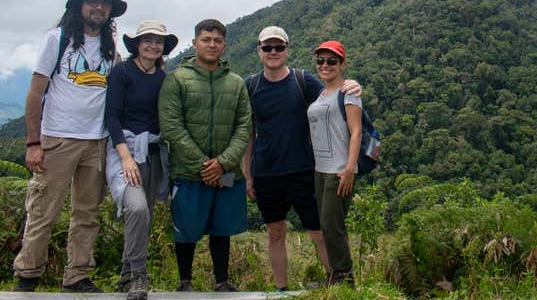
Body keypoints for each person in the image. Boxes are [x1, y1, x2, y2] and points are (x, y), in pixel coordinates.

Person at [13, 0, 127, 293]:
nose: (99, 7)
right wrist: (33, 143)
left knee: (87, 214)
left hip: (96, 141)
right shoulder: (58, 39)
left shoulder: (109, 47)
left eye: (105, 3)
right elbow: (36, 93)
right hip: (58, 139)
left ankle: (77, 276)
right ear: (79, 6)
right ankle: (27, 276)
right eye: (93, 1)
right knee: (42, 212)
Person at [241, 26, 360, 292]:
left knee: (319, 232)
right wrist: (247, 173)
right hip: (266, 172)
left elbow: (333, 94)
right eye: (268, 47)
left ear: (286, 49)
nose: (273, 52)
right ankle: (282, 290)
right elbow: (248, 132)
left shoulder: (302, 81)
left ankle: (337, 286)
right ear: (259, 51)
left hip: (304, 169)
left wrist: (351, 84)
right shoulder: (250, 86)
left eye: (279, 47)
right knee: (275, 232)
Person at [158, 19, 251, 293]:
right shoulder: (177, 79)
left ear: (224, 44)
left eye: (217, 40)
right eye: (206, 39)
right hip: (188, 170)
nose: (212, 45)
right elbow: (172, 126)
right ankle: (184, 280)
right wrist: (203, 165)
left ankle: (221, 281)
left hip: (226, 169)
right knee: (186, 227)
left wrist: (222, 163)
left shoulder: (236, 83)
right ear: (195, 42)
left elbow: (244, 125)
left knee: (221, 228)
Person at [105, 20, 178, 300]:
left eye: (158, 41)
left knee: (143, 217)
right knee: (136, 209)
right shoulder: (122, 73)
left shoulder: (163, 78)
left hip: (154, 151)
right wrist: (125, 157)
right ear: (137, 44)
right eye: (147, 39)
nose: (153, 45)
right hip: (124, 149)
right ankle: (138, 276)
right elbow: (111, 115)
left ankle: (125, 275)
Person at [306, 40, 361, 286]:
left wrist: (349, 169)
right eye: (321, 60)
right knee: (327, 224)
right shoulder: (321, 92)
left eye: (331, 61)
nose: (325, 65)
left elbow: (356, 131)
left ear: (342, 64)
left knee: (332, 225)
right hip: (320, 170)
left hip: (339, 170)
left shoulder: (349, 93)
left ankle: (344, 277)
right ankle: (336, 276)